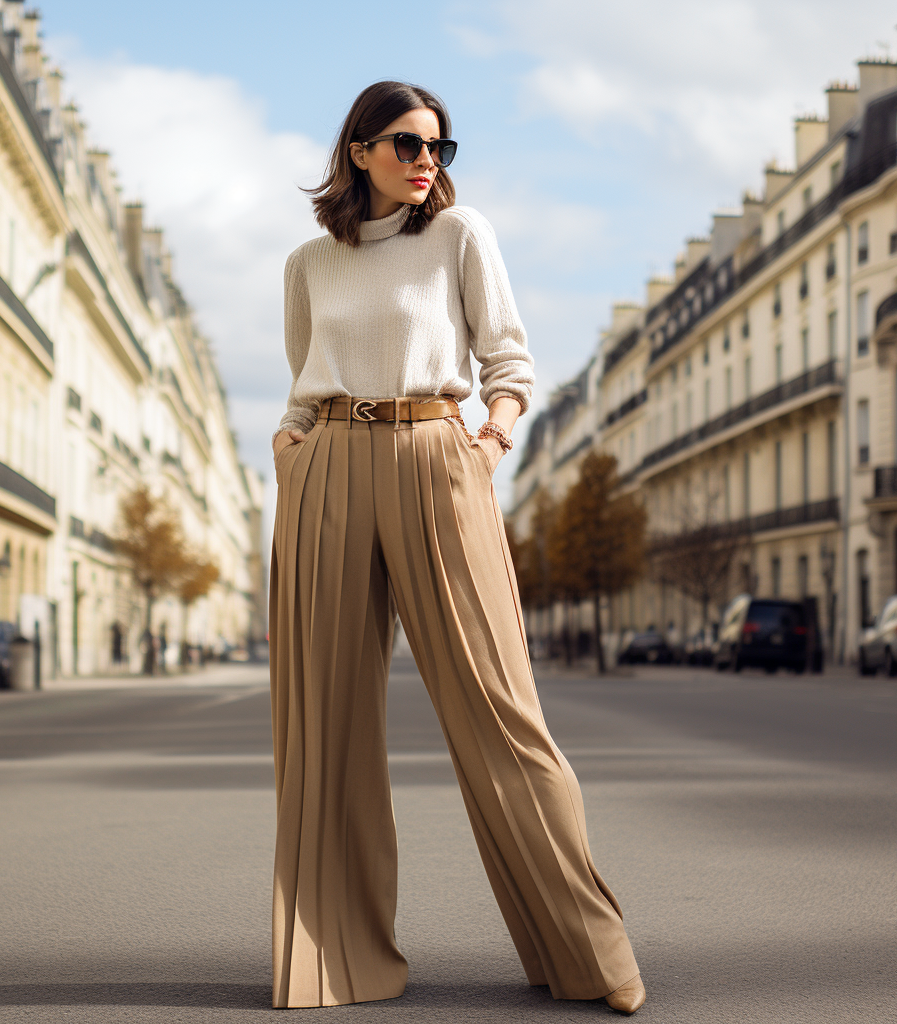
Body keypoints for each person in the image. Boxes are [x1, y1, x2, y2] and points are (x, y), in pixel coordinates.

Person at [269, 81, 645, 1015]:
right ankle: (335, 960)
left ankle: (588, 953)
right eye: (404, 142)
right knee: (324, 730)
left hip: (441, 455)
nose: (425, 158)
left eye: (438, 145)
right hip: (328, 466)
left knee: (499, 708)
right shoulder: (310, 263)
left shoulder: (459, 235)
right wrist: (290, 447)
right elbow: (300, 380)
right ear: (358, 150)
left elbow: (506, 359)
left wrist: (489, 441)